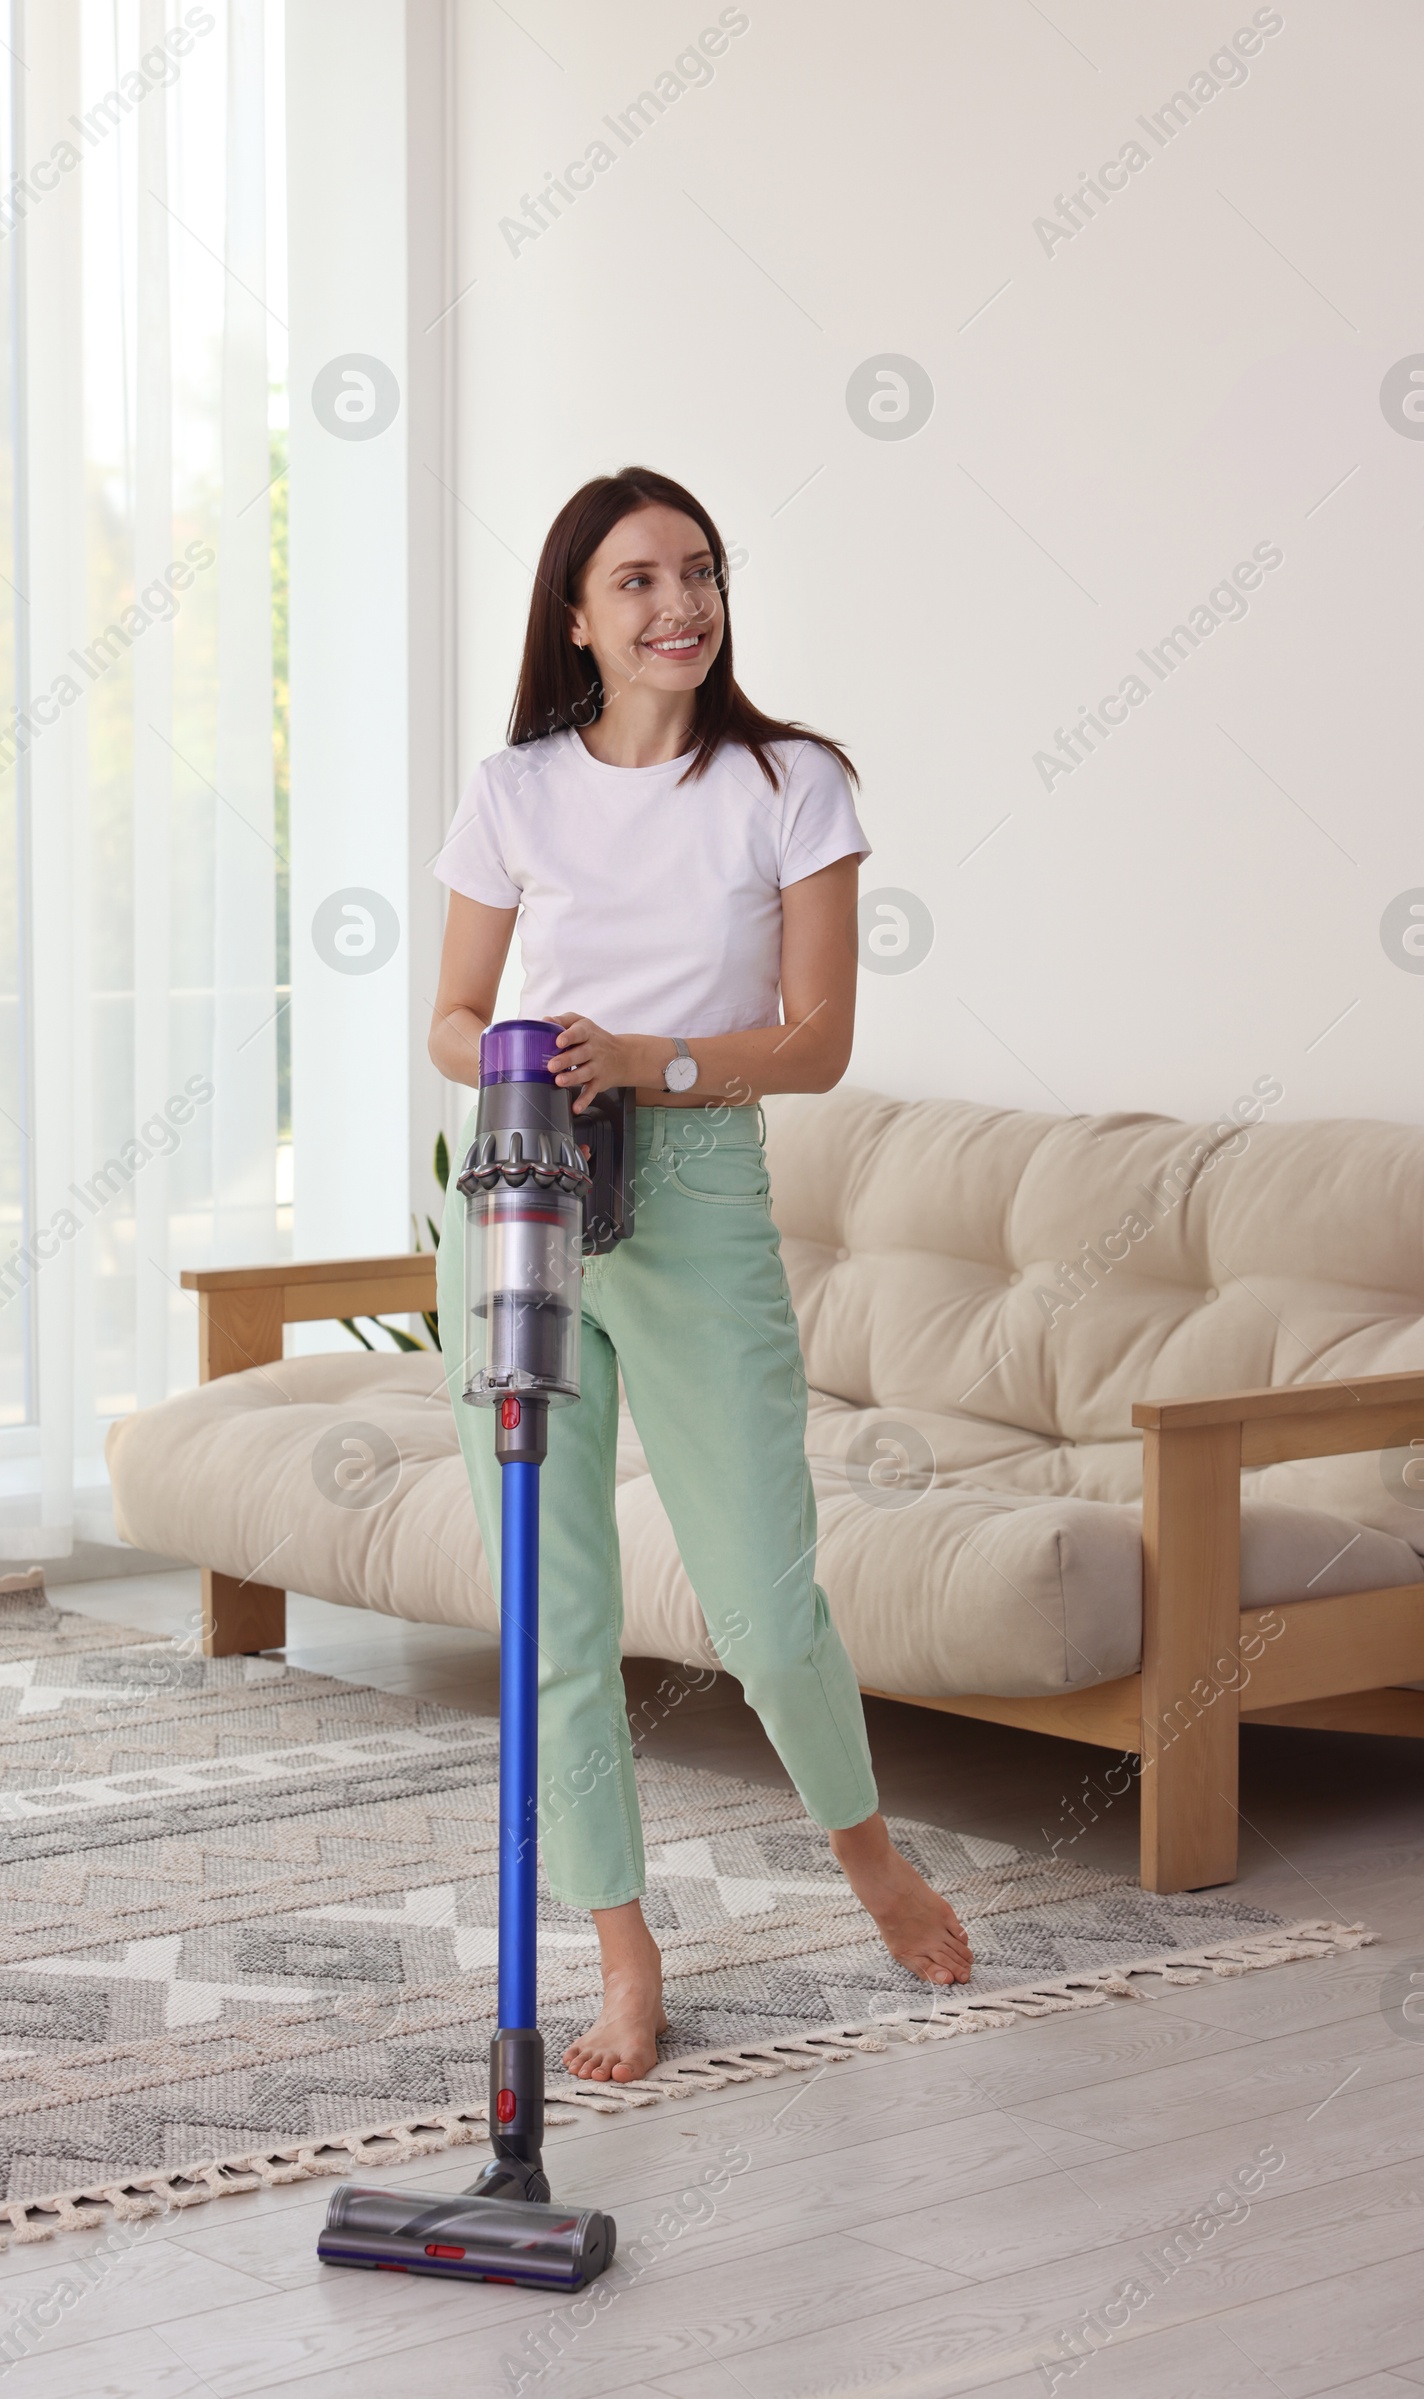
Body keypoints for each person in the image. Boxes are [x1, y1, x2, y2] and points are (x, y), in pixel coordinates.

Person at [429, 466, 972, 2085]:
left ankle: (870, 1858)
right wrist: (523, 1059)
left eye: (702, 574)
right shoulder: (513, 786)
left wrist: (645, 1062)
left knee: (759, 1596)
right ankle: (620, 1946)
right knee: (553, 1602)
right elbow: (451, 1020)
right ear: (579, 618)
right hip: (520, 1192)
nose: (682, 606)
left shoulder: (792, 782)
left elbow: (817, 1043)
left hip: (698, 1186)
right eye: (641, 582)